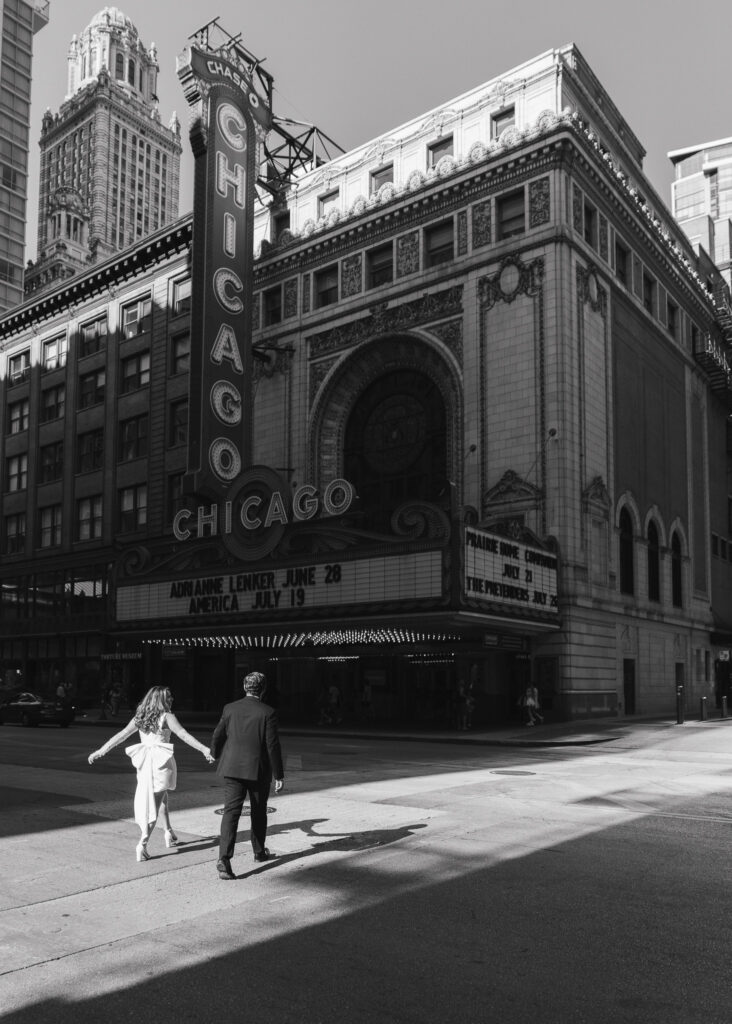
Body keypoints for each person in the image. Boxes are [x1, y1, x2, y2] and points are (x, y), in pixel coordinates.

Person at [87, 685, 214, 862]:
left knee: (161, 798)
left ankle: (168, 832)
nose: (172, 699)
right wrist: (205, 749)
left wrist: (101, 750)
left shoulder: (141, 717)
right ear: (161, 699)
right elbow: (183, 735)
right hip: (161, 764)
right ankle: (142, 844)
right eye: (169, 697)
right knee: (154, 804)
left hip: (145, 764)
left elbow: (121, 735)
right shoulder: (167, 717)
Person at [210, 671, 284, 880]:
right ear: (263, 689)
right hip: (257, 770)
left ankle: (224, 858)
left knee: (230, 812)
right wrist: (279, 774)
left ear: (245, 688)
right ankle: (259, 852)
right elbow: (272, 746)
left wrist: (214, 754)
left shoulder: (230, 708)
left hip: (232, 768)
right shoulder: (268, 712)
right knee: (258, 812)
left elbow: (218, 734)